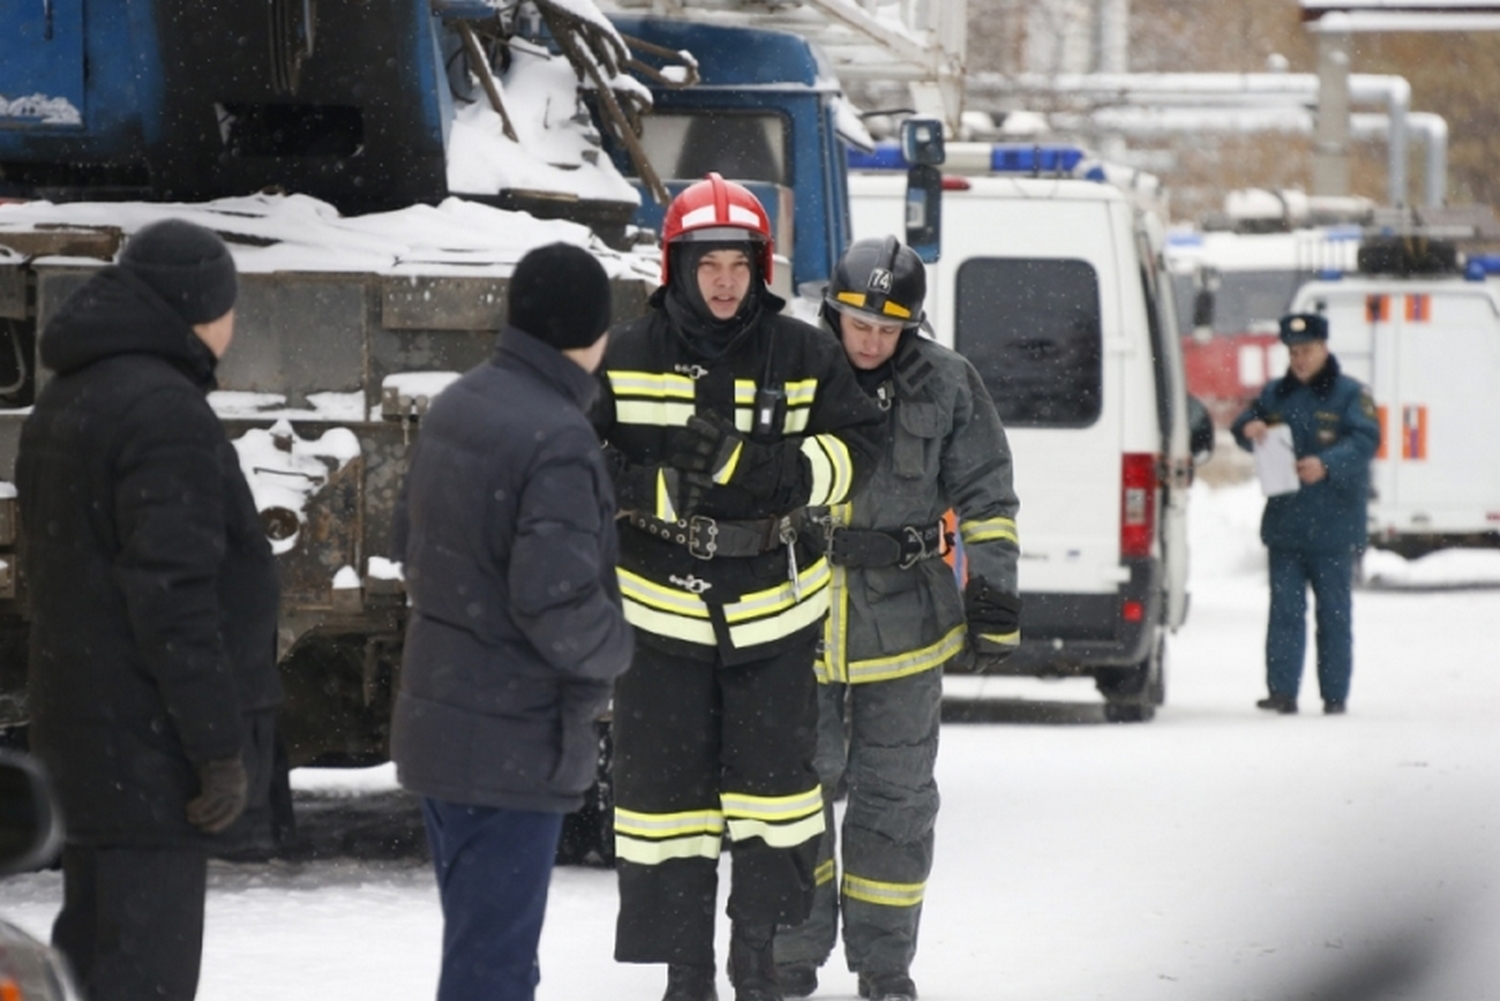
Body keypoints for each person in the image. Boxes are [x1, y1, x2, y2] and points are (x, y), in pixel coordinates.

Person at [594, 173, 885, 1001]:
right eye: (706, 262)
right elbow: (572, 457)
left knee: (777, 799)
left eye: (738, 262)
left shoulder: (804, 351)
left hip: (775, 614)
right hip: (657, 615)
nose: (724, 281)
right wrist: (650, 487)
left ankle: (755, 960)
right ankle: (686, 972)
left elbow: (860, 447)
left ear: (762, 266)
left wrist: (780, 473)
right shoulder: (627, 351)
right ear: (674, 265)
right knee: (668, 804)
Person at [16, 218, 286, 1001]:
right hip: (150, 755)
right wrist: (217, 749)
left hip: (86, 737)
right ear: (200, 308)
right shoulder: (164, 414)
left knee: (89, 961)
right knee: (144, 974)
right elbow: (172, 600)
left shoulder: (68, 395)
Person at [772, 237, 1022, 1001]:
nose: (871, 341)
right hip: (796, 620)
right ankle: (788, 953)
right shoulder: (790, 371)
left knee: (897, 800)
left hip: (907, 624)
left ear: (910, 327)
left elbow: (987, 492)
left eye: (888, 329)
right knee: (788, 797)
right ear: (833, 314)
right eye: (858, 325)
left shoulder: (948, 383)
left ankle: (884, 964)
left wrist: (996, 595)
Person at [391, 242, 635, 1001]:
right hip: (510, 740)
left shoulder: (463, 401)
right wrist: (622, 646)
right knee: (492, 967)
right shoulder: (557, 436)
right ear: (593, 332)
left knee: (486, 953)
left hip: (446, 723)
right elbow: (554, 602)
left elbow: (408, 543)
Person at [1232, 312, 1380, 715]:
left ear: (1324, 348)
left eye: (1307, 351)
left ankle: (1334, 695)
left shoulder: (1350, 394)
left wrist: (1327, 464)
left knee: (1333, 616)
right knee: (1284, 613)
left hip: (1333, 527)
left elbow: (1366, 438)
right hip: (1286, 525)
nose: (1299, 360)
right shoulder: (1276, 394)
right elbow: (1246, 420)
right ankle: (1282, 691)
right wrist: (1248, 429)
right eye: (1294, 352)